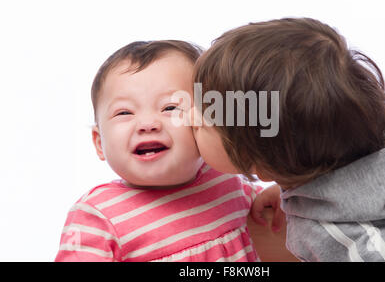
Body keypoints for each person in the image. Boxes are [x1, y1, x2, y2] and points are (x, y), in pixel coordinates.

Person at [192, 17, 385, 261]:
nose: (189, 117)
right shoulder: (384, 137)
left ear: (263, 163)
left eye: (204, 120)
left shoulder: (338, 233)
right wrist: (294, 189)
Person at [55, 40, 267, 262]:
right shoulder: (98, 215)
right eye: (124, 113)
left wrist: (270, 200)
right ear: (99, 142)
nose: (147, 124)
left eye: (170, 108)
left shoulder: (226, 180)